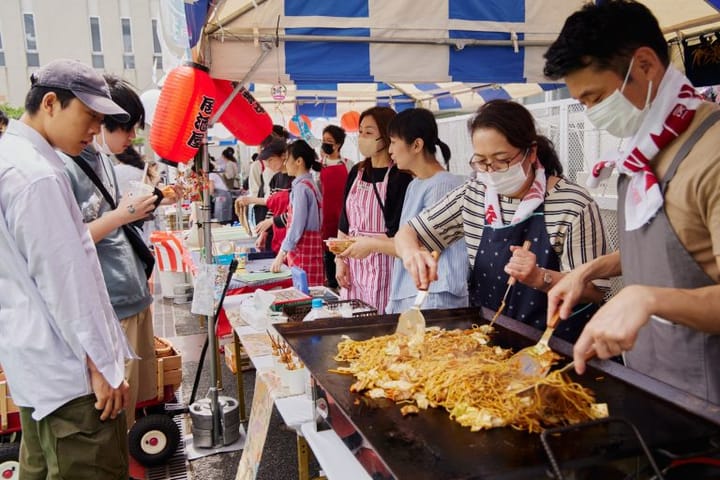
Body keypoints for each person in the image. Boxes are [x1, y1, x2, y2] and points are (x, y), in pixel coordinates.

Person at [543, 0, 720, 401]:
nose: (591, 113)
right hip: (650, 378)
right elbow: (678, 245)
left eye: (596, 97)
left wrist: (648, 297)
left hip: (706, 400)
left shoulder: (712, 152)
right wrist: (590, 269)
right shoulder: (643, 150)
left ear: (644, 65)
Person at [0, 59, 132, 479]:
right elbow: (66, 281)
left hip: (39, 369)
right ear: (51, 103)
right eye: (89, 116)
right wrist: (101, 367)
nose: (95, 129)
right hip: (71, 379)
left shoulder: (15, 157)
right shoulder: (35, 175)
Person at [395, 100, 607, 342]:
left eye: (502, 159)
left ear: (531, 152)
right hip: (491, 342)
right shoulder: (474, 194)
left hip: (559, 346)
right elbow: (408, 233)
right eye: (481, 161)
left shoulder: (572, 204)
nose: (491, 170)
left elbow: (594, 290)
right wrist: (412, 253)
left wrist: (540, 277)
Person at [60, 74, 159, 430]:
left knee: (128, 406)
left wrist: (128, 211)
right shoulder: (62, 165)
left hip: (130, 290)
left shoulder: (98, 158)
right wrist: (121, 214)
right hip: (110, 301)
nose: (132, 137)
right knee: (112, 412)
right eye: (127, 128)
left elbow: (110, 220)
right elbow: (67, 243)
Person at [384, 108, 469, 313]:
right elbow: (407, 239)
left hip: (435, 296)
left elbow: (423, 244)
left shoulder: (443, 185)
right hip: (414, 293)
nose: (390, 150)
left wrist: (370, 245)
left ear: (416, 145)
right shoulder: (416, 184)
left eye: (394, 142)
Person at [336, 106, 413, 312]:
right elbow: (344, 221)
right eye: (360, 132)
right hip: (353, 263)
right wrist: (339, 259)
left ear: (388, 137)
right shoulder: (357, 172)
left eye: (369, 132)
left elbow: (400, 233)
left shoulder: (400, 177)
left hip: (386, 263)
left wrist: (371, 244)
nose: (362, 137)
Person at [271, 140, 324, 285]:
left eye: (287, 159)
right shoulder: (310, 184)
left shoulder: (301, 188)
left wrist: (281, 253)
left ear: (299, 161)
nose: (285, 163)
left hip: (302, 254)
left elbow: (296, 226)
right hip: (312, 252)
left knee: (304, 296)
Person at [319, 124, 351, 289]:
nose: (325, 143)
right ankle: (331, 283)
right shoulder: (318, 166)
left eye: (329, 141)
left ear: (338, 144)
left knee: (343, 248)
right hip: (326, 216)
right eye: (323, 140)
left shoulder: (348, 165)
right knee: (327, 251)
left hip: (344, 214)